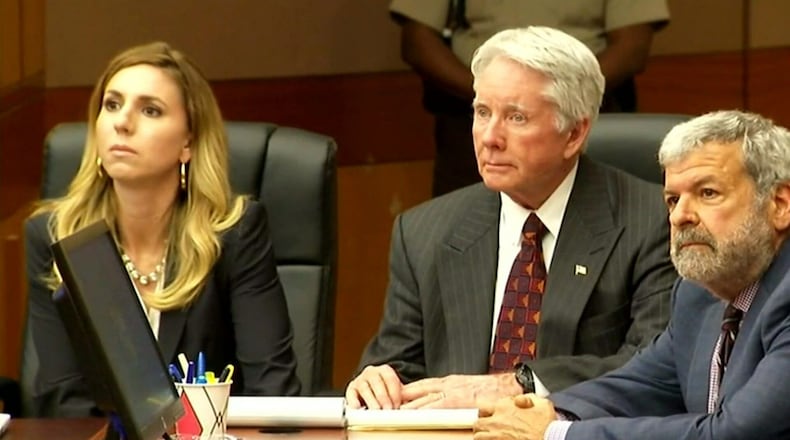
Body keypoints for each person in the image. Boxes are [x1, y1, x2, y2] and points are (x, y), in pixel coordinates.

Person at [346, 27, 676, 410]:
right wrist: (376, 379)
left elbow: (655, 365)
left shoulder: (653, 223)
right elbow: (397, 363)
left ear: (574, 133)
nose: (490, 137)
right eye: (482, 112)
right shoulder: (424, 232)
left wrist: (521, 385)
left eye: (516, 118)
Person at [473, 110, 790, 440]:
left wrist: (558, 434)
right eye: (672, 199)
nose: (680, 216)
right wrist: (545, 411)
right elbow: (642, 385)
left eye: (707, 193)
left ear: (780, 204)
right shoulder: (698, 295)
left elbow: (738, 433)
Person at [26, 42, 301, 417]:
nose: (122, 122)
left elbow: (273, 394)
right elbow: (63, 401)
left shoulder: (233, 234)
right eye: (112, 104)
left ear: (188, 142)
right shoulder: (55, 235)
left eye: (150, 110)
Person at [389, 0, 670, 196]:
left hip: (578, 107)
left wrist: (563, 96)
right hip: (465, 111)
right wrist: (493, 97)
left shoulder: (649, 220)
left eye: (519, 116)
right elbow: (417, 41)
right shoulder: (417, 232)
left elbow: (633, 46)